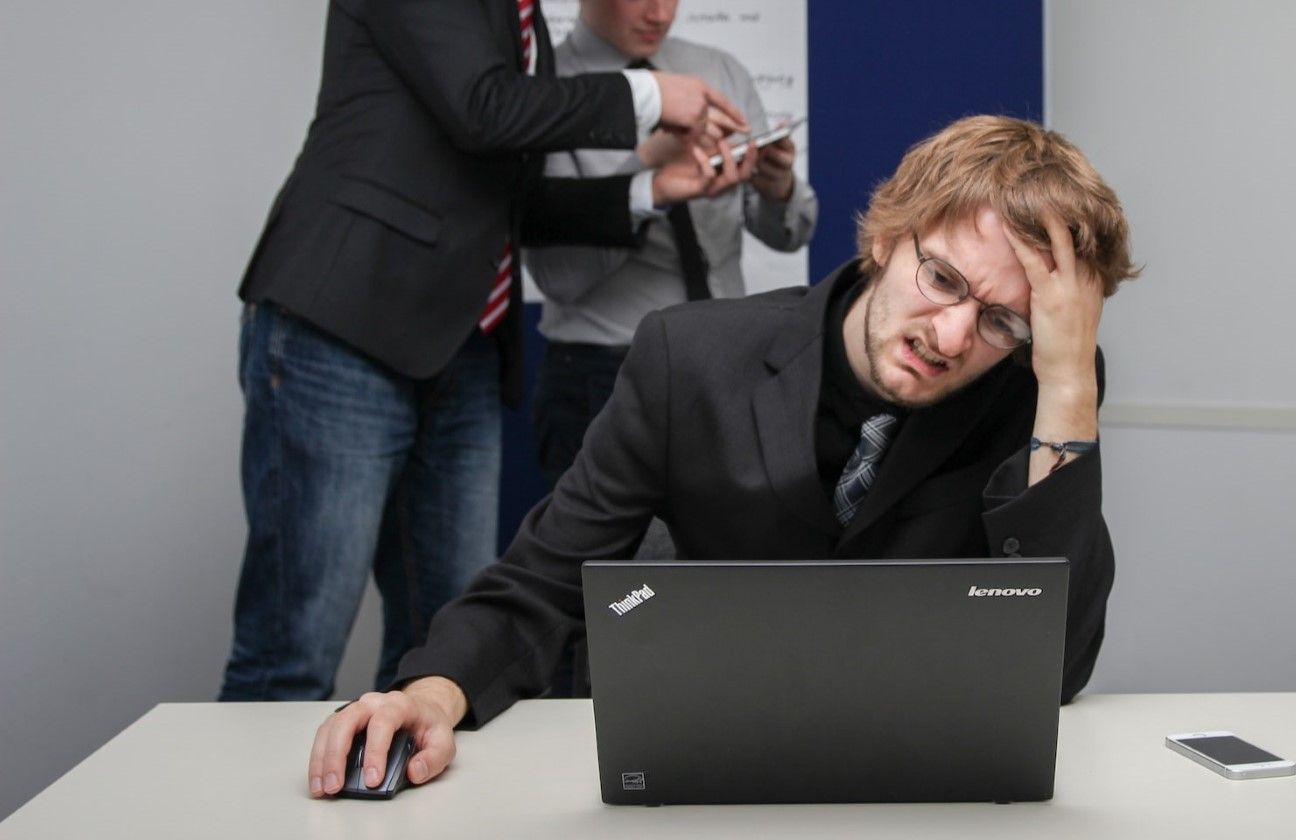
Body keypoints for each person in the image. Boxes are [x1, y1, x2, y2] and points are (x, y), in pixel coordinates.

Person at [305, 115, 1140, 798]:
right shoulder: (691, 359)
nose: (954, 336)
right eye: (945, 280)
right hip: (702, 774)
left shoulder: (1039, 391)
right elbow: (543, 578)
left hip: (912, 787)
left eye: (1004, 321)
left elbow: (1054, 670)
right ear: (890, 236)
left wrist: (1067, 385)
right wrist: (427, 693)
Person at [220, 0, 754, 701]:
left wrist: (649, 188)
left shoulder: (519, 22)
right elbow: (483, 107)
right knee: (293, 653)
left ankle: (403, 802)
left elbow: (514, 205)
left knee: (443, 656)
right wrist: (653, 93)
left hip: (463, 345)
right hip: (346, 328)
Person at [525, 0, 819, 486]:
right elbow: (560, 280)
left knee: (736, 557)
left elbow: (792, 231)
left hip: (733, 366)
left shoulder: (717, 70)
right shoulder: (548, 95)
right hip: (606, 375)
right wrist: (647, 173)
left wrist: (777, 188)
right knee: (606, 559)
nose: (659, 13)